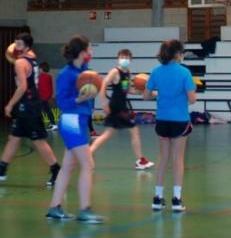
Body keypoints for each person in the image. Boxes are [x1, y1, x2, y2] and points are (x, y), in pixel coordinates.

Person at [0, 32, 61, 186]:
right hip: (29, 103)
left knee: (38, 140)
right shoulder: (32, 57)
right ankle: (1, 169)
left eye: (19, 44)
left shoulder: (20, 62)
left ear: (26, 46)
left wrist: (10, 104)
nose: (16, 46)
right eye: (15, 43)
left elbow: (23, 86)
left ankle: (56, 170)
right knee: (14, 137)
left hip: (29, 105)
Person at [46, 35, 105, 223]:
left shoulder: (85, 71)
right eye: (90, 49)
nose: (92, 52)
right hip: (71, 120)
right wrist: (78, 99)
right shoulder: (66, 74)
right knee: (88, 164)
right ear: (82, 53)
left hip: (80, 120)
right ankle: (85, 210)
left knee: (69, 166)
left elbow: (93, 86)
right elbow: (61, 102)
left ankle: (55, 207)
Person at [144, 39, 196, 212]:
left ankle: (157, 198)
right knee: (178, 158)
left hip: (162, 119)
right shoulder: (184, 72)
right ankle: (177, 199)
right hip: (179, 119)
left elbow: (146, 96)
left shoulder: (156, 71)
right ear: (177, 54)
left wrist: (160, 93)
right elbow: (192, 99)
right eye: (181, 53)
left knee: (163, 156)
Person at [90, 49, 154, 170]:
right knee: (134, 130)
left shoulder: (127, 72)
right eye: (122, 56)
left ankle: (88, 152)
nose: (124, 59)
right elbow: (104, 83)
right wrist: (103, 102)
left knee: (108, 134)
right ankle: (140, 160)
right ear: (118, 58)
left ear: (130, 60)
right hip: (117, 106)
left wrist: (144, 91)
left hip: (121, 105)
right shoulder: (115, 71)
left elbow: (128, 90)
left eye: (126, 57)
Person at [38, 62, 57, 131]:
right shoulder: (49, 76)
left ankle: (39, 125)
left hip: (41, 97)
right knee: (48, 110)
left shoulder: (40, 77)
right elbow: (50, 87)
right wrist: (50, 95)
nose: (39, 69)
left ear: (41, 69)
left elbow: (39, 87)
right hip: (46, 97)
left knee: (40, 111)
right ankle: (53, 124)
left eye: (39, 68)